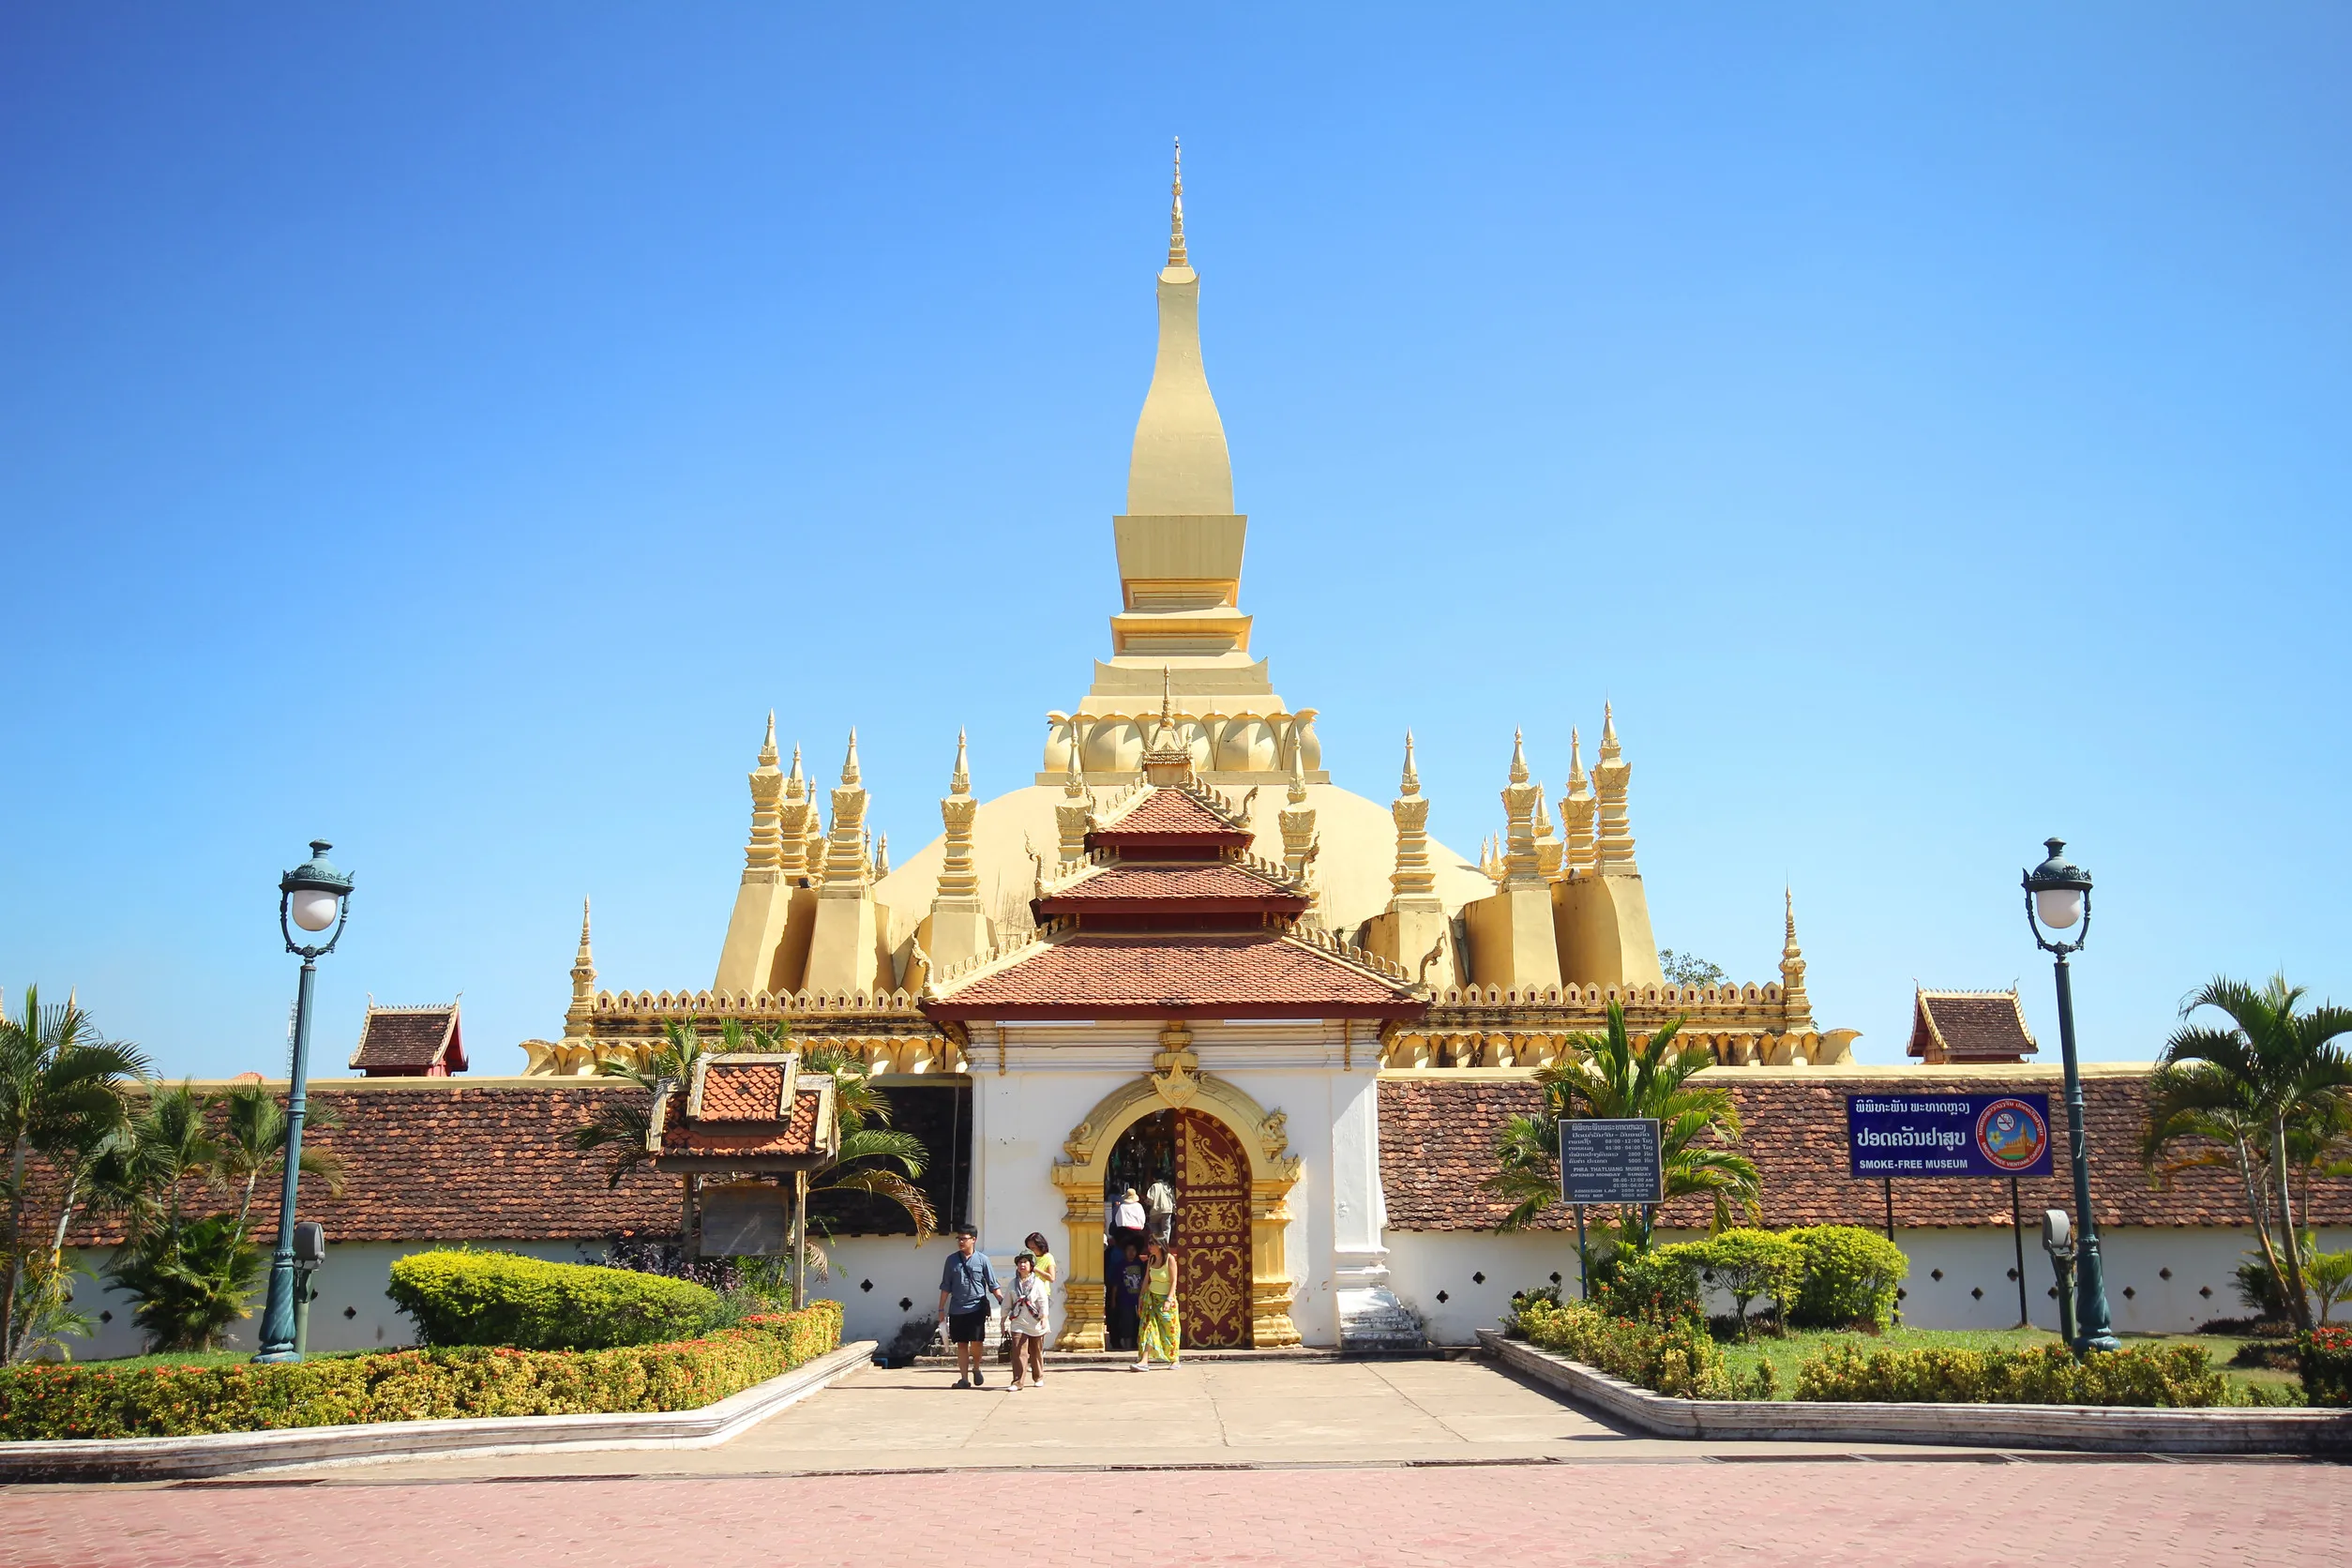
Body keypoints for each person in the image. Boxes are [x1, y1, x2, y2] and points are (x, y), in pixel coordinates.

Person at [937, 1226, 1002, 1388]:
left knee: (977, 1342)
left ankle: (977, 1368)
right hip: (957, 1308)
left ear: (973, 1239)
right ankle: (964, 1379)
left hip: (976, 1307)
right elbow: (946, 1286)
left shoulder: (983, 1260)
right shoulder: (951, 1260)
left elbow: (993, 1284)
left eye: (964, 1238)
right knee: (961, 1344)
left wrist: (1001, 1300)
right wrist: (941, 1309)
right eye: (958, 1238)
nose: (960, 1242)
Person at [1003, 1251, 1050, 1391]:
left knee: (1036, 1352)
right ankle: (1017, 1382)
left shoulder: (1038, 1283)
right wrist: (1002, 1319)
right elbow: (1007, 1302)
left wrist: (1044, 1317)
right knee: (1018, 1352)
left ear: (1031, 1265)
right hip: (1018, 1321)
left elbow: (1043, 1301)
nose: (1022, 1265)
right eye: (1020, 1262)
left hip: (1035, 1321)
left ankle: (1038, 1376)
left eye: (1025, 1262)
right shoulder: (1013, 1284)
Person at [1132, 1239, 1180, 1371]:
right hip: (1152, 1299)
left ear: (1160, 1245)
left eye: (1152, 1244)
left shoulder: (1169, 1259)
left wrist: (1169, 1300)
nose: (1149, 1247)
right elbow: (1147, 1278)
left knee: (1170, 1329)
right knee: (1148, 1327)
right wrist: (1141, 1296)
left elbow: (1174, 1281)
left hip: (1166, 1299)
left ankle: (1174, 1359)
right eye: (1149, 1244)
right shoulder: (1151, 1259)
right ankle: (1144, 1360)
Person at [1110, 1241, 1143, 1352]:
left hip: (1138, 1300)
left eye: (1133, 1250)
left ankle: (1139, 1346)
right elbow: (1115, 1285)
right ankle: (1128, 1347)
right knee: (1126, 1323)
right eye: (1129, 1250)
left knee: (1139, 1323)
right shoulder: (1120, 1265)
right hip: (1125, 1300)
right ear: (1124, 1252)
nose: (1131, 1253)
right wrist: (1113, 1300)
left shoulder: (1140, 1264)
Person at [1144, 1176, 1176, 1244]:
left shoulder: (1154, 1186)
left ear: (1154, 1178)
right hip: (1167, 1210)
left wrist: (1146, 1202)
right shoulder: (1167, 1186)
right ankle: (1165, 1246)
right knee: (1166, 1229)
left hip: (1156, 1210)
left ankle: (1156, 1244)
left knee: (1155, 1228)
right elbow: (1172, 1198)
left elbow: (1150, 1200)